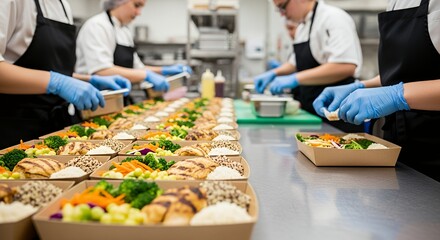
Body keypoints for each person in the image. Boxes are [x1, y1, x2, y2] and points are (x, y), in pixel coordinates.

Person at [313, 0, 440, 181]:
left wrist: (396, 95)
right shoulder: (395, 2)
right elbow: (408, 71)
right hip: (402, 152)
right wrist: (363, 86)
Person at [0, 0, 131, 149]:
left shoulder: (63, 6)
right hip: (15, 128)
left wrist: (89, 80)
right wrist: (58, 83)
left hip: (56, 127)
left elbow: (51, 68)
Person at [254, 0, 363, 132]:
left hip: (337, 114)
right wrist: (274, 73)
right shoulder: (302, 27)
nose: (282, 15)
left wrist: (295, 78)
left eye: (283, 7)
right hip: (312, 114)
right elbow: (294, 63)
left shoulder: (333, 18)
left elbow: (345, 66)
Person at [75, 0, 193, 100]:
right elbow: (101, 70)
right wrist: (146, 75)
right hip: (95, 99)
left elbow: (137, 68)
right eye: (136, 5)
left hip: (119, 98)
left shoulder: (124, 31)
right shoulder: (98, 26)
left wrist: (165, 70)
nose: (139, 13)